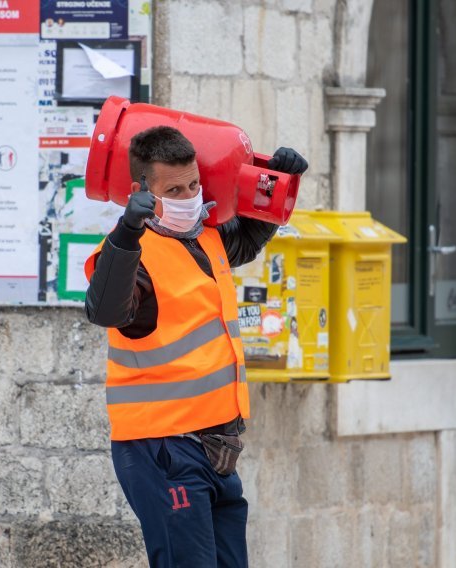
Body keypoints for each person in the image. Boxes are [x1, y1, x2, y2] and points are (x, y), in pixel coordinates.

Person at [84, 125, 307, 568]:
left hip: (217, 449)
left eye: (192, 185)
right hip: (162, 449)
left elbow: (245, 240)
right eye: (174, 189)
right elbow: (105, 309)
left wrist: (278, 183)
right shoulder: (133, 255)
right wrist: (127, 232)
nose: (188, 197)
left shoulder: (203, 237)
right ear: (139, 191)